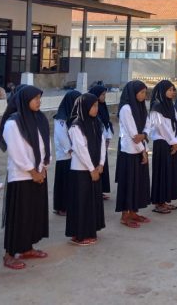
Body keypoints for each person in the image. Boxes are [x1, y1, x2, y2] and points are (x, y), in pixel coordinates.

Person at [0, 86, 51, 270]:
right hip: (21, 176)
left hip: (38, 173)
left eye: (39, 98)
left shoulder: (40, 118)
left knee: (33, 214)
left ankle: (27, 247)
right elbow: (17, 152)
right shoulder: (13, 123)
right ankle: (10, 253)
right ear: (24, 100)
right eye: (35, 98)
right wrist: (32, 171)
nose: (39, 101)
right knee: (19, 215)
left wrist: (43, 166)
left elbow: (45, 144)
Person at [65, 93, 106, 245]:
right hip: (81, 170)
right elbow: (80, 149)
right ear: (85, 107)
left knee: (91, 201)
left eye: (97, 106)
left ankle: (89, 230)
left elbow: (102, 143)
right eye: (93, 106)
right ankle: (79, 235)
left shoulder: (97, 123)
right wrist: (91, 169)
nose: (96, 109)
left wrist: (101, 163)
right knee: (81, 202)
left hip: (95, 168)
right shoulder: (76, 126)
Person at [115, 80, 152, 228]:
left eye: (145, 92)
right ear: (133, 92)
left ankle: (134, 211)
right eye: (141, 92)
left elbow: (148, 124)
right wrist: (143, 150)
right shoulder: (126, 108)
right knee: (128, 182)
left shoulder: (141, 106)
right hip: (129, 151)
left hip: (141, 148)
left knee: (138, 182)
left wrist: (144, 135)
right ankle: (125, 215)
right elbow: (133, 134)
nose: (144, 95)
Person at [149, 80, 177, 214]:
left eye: (173, 90)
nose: (172, 92)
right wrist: (173, 142)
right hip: (162, 143)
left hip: (171, 143)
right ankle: (159, 203)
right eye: (169, 90)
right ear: (162, 91)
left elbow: (176, 124)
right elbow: (161, 127)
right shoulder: (157, 107)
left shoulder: (170, 105)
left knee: (169, 173)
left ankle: (165, 200)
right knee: (161, 173)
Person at [52, 90, 80, 216]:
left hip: (73, 154)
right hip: (64, 155)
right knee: (63, 182)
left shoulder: (74, 115)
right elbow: (61, 136)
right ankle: (61, 207)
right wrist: (70, 149)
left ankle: (69, 205)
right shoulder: (61, 118)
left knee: (70, 182)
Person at [89, 85, 114, 199]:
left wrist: (108, 138)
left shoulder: (103, 107)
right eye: (102, 94)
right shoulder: (92, 109)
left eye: (105, 94)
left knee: (102, 166)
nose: (104, 97)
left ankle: (100, 190)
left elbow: (107, 123)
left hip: (103, 143)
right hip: (96, 144)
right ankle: (95, 192)